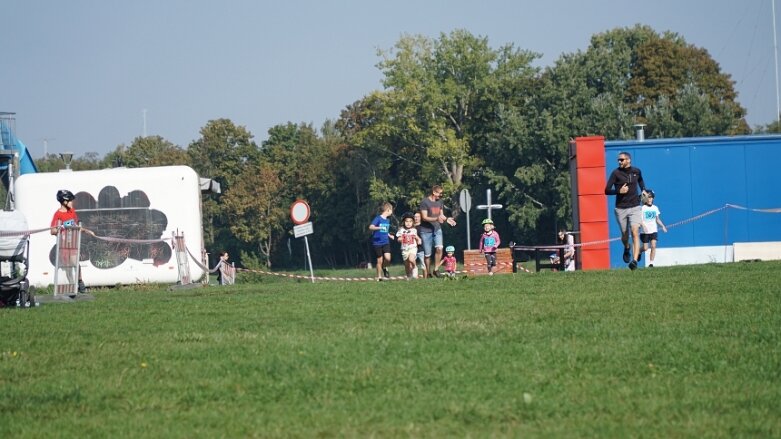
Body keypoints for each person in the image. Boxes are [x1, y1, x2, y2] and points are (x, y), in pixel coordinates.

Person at [604, 151, 648, 270]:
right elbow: (606, 190)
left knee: (635, 231)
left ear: (628, 160)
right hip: (621, 209)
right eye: (618, 160)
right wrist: (618, 191)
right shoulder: (615, 173)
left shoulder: (636, 171)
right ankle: (627, 247)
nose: (619, 161)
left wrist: (643, 189)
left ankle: (634, 261)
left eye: (622, 160)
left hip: (635, 207)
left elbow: (640, 180)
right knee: (625, 234)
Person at [50, 189, 86, 293]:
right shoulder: (58, 214)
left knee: (75, 263)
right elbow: (52, 230)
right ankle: (72, 287)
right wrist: (61, 226)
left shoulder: (72, 211)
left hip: (73, 243)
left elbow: (75, 224)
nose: (72, 203)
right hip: (64, 245)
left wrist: (80, 228)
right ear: (64, 202)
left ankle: (79, 281)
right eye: (70, 201)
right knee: (68, 267)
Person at [419, 185, 456, 277]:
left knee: (439, 248)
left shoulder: (440, 202)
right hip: (426, 230)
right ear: (434, 192)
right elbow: (424, 217)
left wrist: (447, 219)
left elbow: (441, 215)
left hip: (437, 229)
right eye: (440, 193)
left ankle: (436, 269)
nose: (441, 195)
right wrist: (436, 218)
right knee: (427, 254)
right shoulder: (424, 202)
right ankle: (428, 273)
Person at [639, 190, 667, 267]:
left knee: (653, 246)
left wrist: (663, 226)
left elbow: (657, 219)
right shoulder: (643, 208)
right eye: (648, 197)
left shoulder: (655, 208)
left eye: (651, 197)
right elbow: (640, 220)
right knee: (645, 248)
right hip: (645, 232)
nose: (649, 199)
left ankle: (651, 263)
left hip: (653, 230)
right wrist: (643, 226)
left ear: (653, 198)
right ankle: (638, 252)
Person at [368, 202, 394, 281]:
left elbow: (385, 231)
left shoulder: (388, 220)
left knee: (388, 258)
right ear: (388, 210)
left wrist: (390, 236)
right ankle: (379, 276)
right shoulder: (378, 218)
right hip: (377, 243)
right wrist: (378, 228)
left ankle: (384, 267)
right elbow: (371, 227)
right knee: (379, 260)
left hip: (385, 242)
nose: (392, 211)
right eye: (391, 210)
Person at [396, 212, 422, 280]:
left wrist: (419, 240)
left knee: (411, 259)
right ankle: (409, 276)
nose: (408, 223)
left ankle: (415, 267)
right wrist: (401, 239)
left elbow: (416, 237)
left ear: (413, 222)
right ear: (404, 222)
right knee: (407, 265)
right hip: (404, 249)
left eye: (410, 221)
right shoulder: (401, 230)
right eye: (406, 221)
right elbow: (398, 239)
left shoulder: (414, 230)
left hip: (412, 248)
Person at [413, 212, 427, 278]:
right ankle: (415, 277)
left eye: (418, 217)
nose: (416, 218)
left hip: (422, 248)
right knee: (413, 263)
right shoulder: (411, 227)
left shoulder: (423, 226)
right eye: (415, 217)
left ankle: (425, 278)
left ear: (420, 217)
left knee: (423, 264)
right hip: (413, 248)